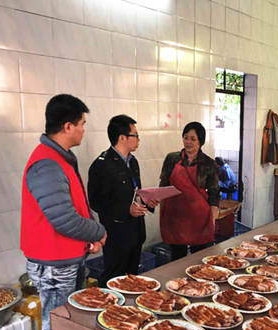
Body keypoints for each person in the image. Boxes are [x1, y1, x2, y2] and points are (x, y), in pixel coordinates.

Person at [21, 94, 108, 330]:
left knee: (72, 319)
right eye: (82, 124)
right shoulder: (45, 164)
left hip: (68, 257)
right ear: (67, 126)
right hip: (52, 263)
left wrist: (87, 242)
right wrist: (97, 231)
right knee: (55, 325)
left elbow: (73, 208)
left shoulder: (60, 158)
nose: (85, 130)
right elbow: (63, 220)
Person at [88, 115, 159, 286]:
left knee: (131, 280)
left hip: (135, 232)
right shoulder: (102, 165)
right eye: (135, 135)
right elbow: (96, 202)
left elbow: (134, 192)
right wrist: (126, 210)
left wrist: (146, 200)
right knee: (113, 280)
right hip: (116, 235)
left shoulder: (132, 162)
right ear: (122, 138)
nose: (138, 140)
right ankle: (110, 311)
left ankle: (127, 312)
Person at [159, 122, 220, 261]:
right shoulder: (172, 159)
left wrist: (211, 221)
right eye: (186, 138)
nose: (188, 142)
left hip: (199, 220)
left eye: (193, 139)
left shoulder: (209, 164)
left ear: (200, 141)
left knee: (199, 261)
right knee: (176, 261)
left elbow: (214, 194)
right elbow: (163, 186)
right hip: (175, 218)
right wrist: (162, 213)